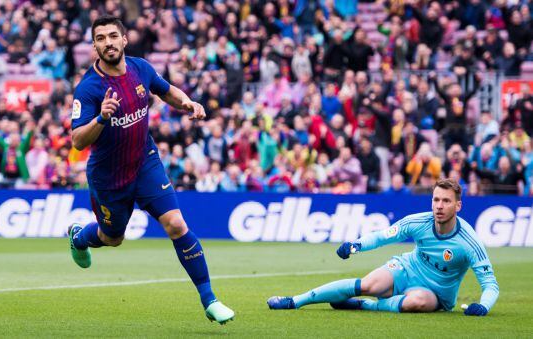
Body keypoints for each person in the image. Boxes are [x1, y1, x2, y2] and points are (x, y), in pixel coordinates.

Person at [66, 15, 234, 324]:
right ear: (94, 46)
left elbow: (166, 90)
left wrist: (187, 103)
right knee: (112, 238)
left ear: (124, 39)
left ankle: (210, 299)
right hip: (109, 178)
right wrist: (101, 118)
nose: (108, 42)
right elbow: (77, 141)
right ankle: (79, 238)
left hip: (145, 163)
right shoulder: (88, 89)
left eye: (113, 36)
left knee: (176, 224)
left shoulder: (141, 68)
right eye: (101, 38)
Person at [267, 179, 499, 316]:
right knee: (367, 284)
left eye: (446, 201)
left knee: (417, 302)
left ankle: (364, 306)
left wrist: (483, 306)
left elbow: (491, 285)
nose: (439, 206)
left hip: (436, 295)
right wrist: (355, 245)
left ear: (458, 205)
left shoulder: (469, 242)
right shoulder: (418, 222)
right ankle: (295, 301)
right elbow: (381, 237)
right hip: (407, 269)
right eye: (436, 200)